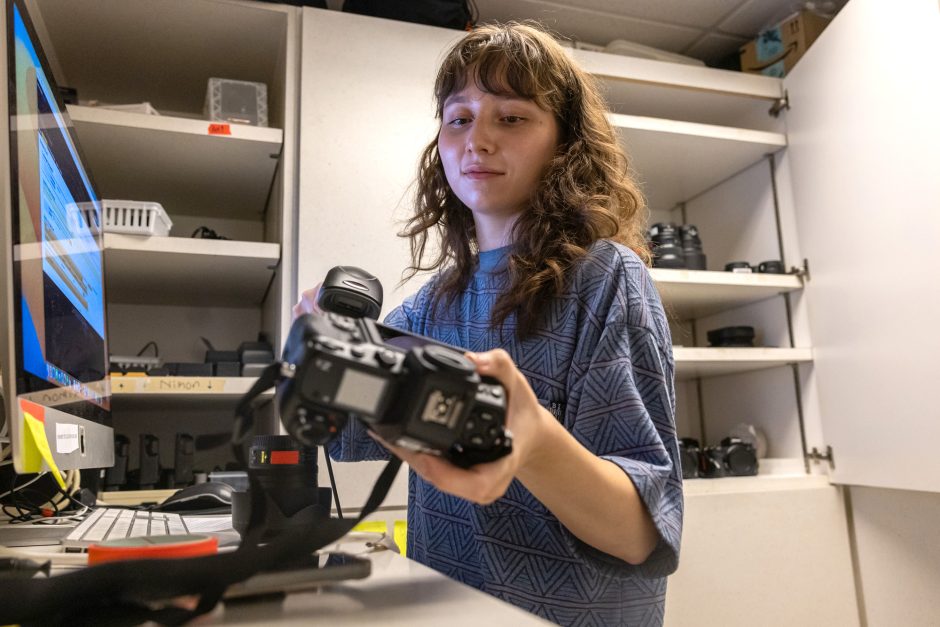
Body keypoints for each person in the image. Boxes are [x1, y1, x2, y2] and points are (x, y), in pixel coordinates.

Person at [294, 22, 682, 626]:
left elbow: (639, 535)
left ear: (565, 143)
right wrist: (323, 353)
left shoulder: (607, 280)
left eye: (512, 117)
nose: (477, 140)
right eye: (459, 118)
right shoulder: (429, 306)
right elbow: (345, 440)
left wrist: (534, 440)